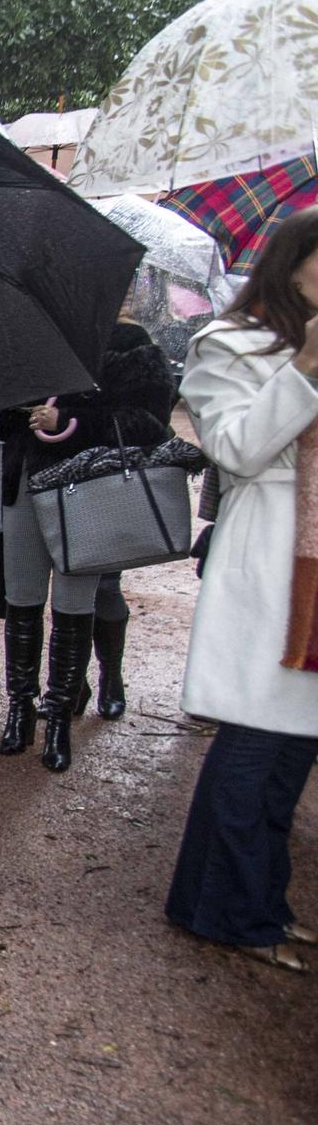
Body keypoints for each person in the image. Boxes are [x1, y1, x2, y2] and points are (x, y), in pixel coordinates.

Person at [166, 208, 318, 973]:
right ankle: (232, 912)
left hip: (314, 570)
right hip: (271, 563)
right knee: (257, 740)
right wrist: (305, 369)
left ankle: (246, 901)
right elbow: (235, 449)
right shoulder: (229, 344)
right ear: (293, 265)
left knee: (293, 750)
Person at [0, 317, 172, 771]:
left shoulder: (130, 347)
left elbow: (148, 424)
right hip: (23, 487)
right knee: (21, 601)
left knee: (74, 604)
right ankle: (20, 710)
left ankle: (61, 717)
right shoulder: (29, 340)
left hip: (85, 495)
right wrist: (19, 409)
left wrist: (70, 420)